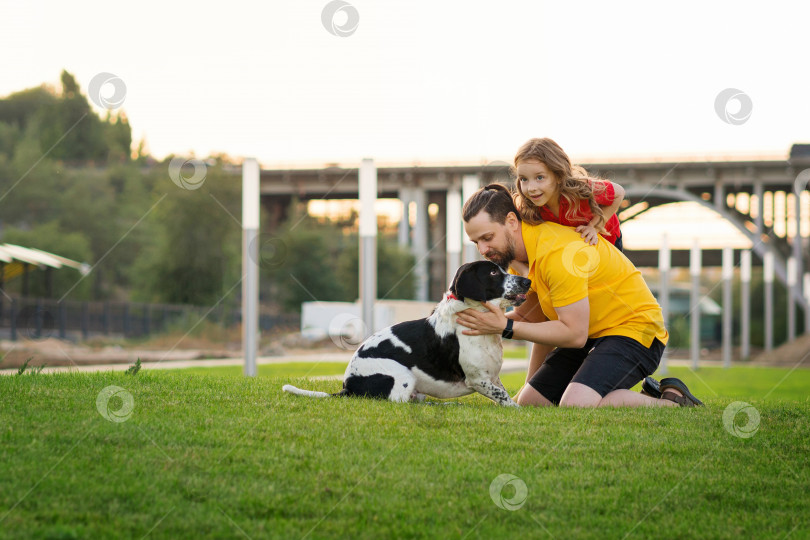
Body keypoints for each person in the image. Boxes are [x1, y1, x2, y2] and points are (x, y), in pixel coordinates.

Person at [456, 183, 702, 408]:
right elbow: (536, 320)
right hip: (592, 335)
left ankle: (675, 402)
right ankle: (635, 396)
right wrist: (480, 322)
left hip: (635, 332)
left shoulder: (558, 253)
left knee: (576, 403)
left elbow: (573, 334)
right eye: (476, 242)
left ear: (511, 221)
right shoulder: (517, 260)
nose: (483, 250)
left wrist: (505, 326)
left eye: (487, 238)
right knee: (533, 401)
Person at [513, 137, 626, 250]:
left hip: (609, 243)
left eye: (540, 177)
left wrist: (594, 227)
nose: (531, 188)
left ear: (558, 175)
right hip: (576, 249)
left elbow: (619, 193)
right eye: (524, 179)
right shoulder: (528, 207)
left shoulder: (580, 189)